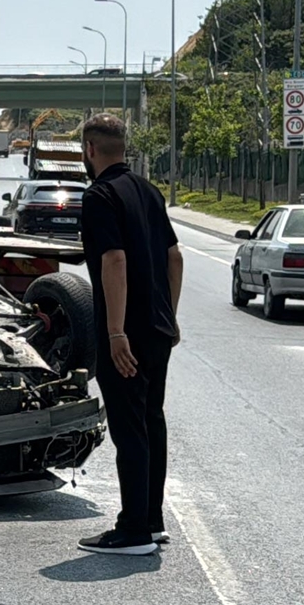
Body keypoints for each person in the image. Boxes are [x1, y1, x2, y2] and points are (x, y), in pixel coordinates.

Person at [77, 113, 184, 556]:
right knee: (151, 421)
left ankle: (133, 530)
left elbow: (114, 260)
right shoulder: (149, 191)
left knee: (130, 428)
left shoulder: (99, 196)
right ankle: (152, 521)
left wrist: (116, 332)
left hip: (128, 334)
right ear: (124, 147)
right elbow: (174, 257)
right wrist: (170, 316)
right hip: (158, 328)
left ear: (89, 150)